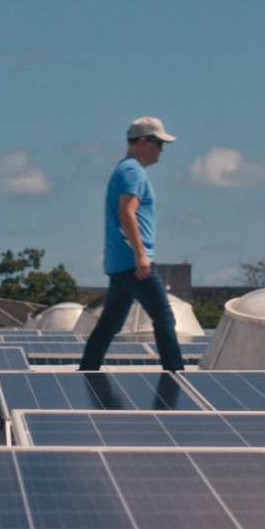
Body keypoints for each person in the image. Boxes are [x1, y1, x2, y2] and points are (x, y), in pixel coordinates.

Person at [78, 117, 185, 373]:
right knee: (164, 318)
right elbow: (127, 212)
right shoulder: (133, 171)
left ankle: (87, 371)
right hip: (132, 261)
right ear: (143, 142)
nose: (162, 150)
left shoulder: (126, 169)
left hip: (121, 262)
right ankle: (177, 375)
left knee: (110, 323)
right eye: (159, 143)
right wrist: (141, 255)